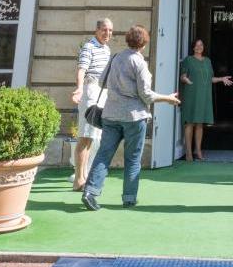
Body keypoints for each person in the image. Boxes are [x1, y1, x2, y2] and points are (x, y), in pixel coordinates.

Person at [82, 24, 180, 211]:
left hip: (110, 114)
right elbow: (146, 95)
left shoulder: (116, 57)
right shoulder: (139, 63)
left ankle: (90, 192)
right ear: (143, 43)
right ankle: (129, 198)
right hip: (134, 117)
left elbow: (102, 80)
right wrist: (168, 98)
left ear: (128, 39)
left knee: (103, 154)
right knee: (133, 158)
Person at [69, 18, 113, 190]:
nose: (107, 33)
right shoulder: (89, 46)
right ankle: (78, 180)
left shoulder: (106, 49)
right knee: (85, 137)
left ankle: (84, 176)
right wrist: (79, 89)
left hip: (102, 92)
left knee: (92, 138)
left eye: (110, 30)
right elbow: (81, 69)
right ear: (96, 30)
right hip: (90, 91)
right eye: (104, 29)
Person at [180, 38, 232, 162]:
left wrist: (221, 79)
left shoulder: (207, 61)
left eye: (201, 45)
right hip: (191, 94)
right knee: (190, 123)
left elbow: (210, 78)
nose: (199, 47)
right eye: (197, 45)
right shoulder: (188, 60)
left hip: (204, 96)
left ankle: (198, 151)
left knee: (200, 124)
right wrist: (186, 80)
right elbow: (183, 76)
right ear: (193, 48)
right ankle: (188, 153)